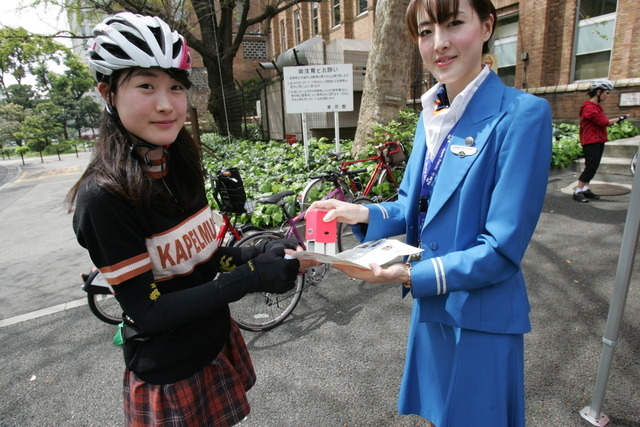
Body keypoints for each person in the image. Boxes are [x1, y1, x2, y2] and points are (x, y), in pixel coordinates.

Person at [310, 0, 552, 425]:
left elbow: (501, 250)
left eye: (454, 24)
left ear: (487, 25)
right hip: (433, 309)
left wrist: (408, 274)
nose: (438, 43)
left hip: (481, 316)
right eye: (425, 31)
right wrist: (361, 214)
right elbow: (413, 204)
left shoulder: (522, 115)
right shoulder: (432, 113)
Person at [66, 12, 311, 426]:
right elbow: (149, 309)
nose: (167, 104)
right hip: (170, 371)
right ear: (107, 92)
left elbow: (204, 259)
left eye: (176, 87)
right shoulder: (103, 198)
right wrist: (249, 278)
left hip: (215, 343)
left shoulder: (179, 165)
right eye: (146, 85)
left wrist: (257, 252)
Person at [573, 79, 628, 203]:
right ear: (599, 92)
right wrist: (619, 118)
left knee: (593, 166)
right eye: (607, 93)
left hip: (597, 140)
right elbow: (603, 122)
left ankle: (585, 189)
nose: (607, 96)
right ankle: (578, 191)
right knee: (590, 167)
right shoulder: (589, 107)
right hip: (591, 141)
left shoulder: (596, 107)